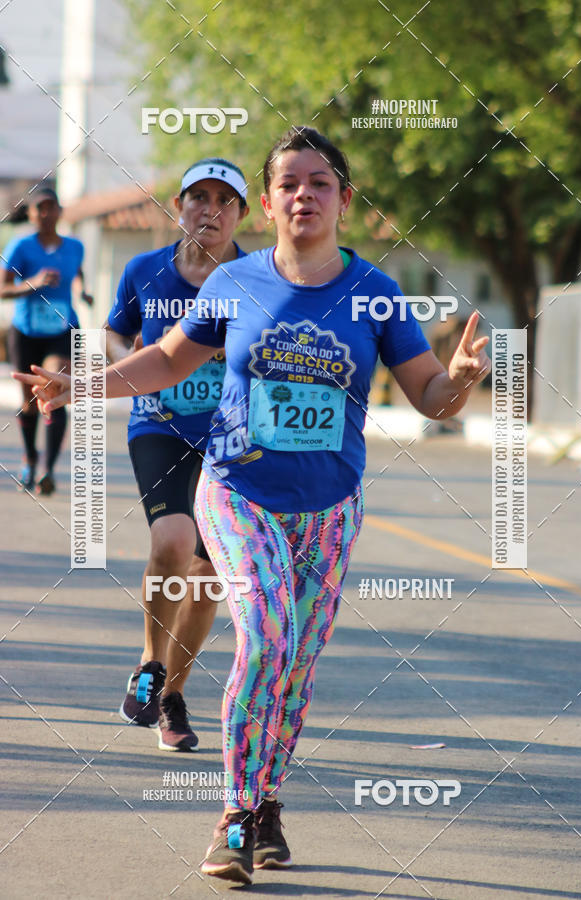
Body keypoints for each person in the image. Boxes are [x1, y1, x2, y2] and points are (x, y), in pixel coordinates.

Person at [14, 127, 491, 885]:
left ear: (344, 200)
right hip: (238, 494)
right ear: (267, 204)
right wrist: (81, 385)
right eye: (290, 184)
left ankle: (267, 804)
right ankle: (235, 815)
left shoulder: (375, 293)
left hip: (330, 510)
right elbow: (168, 358)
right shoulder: (234, 287)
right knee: (265, 639)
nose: (305, 194)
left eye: (321, 183)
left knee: (295, 671)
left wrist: (461, 376)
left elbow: (430, 397)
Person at [104, 159, 249, 751]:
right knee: (172, 542)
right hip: (159, 427)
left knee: (210, 574)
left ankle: (172, 694)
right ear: (179, 206)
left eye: (224, 200)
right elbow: (116, 332)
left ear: (242, 213)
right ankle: (149, 660)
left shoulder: (256, 280)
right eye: (198, 198)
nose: (210, 210)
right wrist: (132, 353)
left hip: (232, 437)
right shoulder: (144, 270)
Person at [0, 185, 93, 495]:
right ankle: (30, 456)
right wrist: (33, 284)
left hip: (61, 330)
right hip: (25, 331)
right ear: (31, 213)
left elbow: (77, 272)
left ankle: (48, 471)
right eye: (39, 208)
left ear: (59, 211)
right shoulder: (20, 247)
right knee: (28, 400)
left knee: (53, 389)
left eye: (51, 206)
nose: (45, 213)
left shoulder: (75, 246)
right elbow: (2, 289)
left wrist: (82, 290)